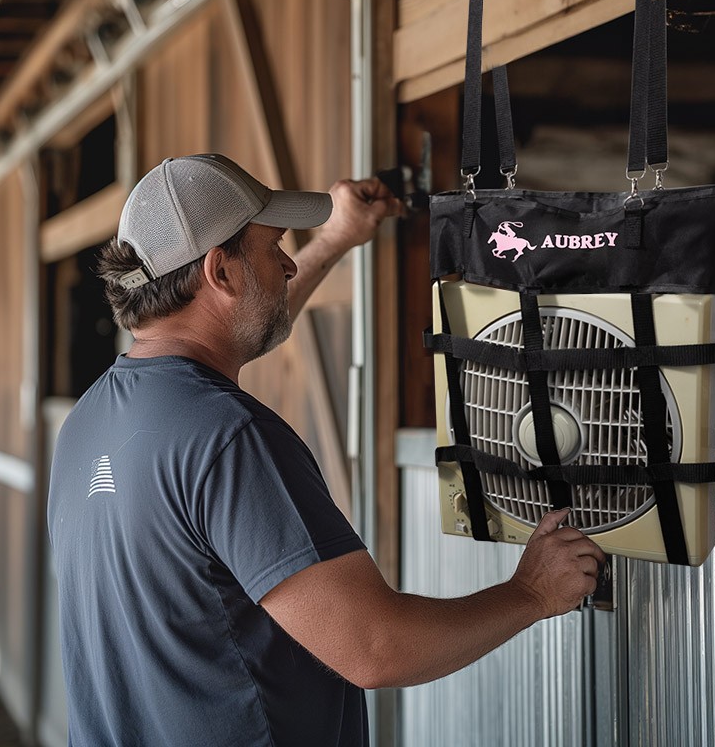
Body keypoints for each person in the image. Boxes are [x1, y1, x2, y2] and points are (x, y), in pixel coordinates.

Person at [47, 153, 604, 747]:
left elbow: (228, 342)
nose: (288, 265)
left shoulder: (89, 424)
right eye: (274, 247)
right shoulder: (231, 439)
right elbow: (374, 647)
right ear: (221, 273)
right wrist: (531, 593)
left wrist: (335, 240)